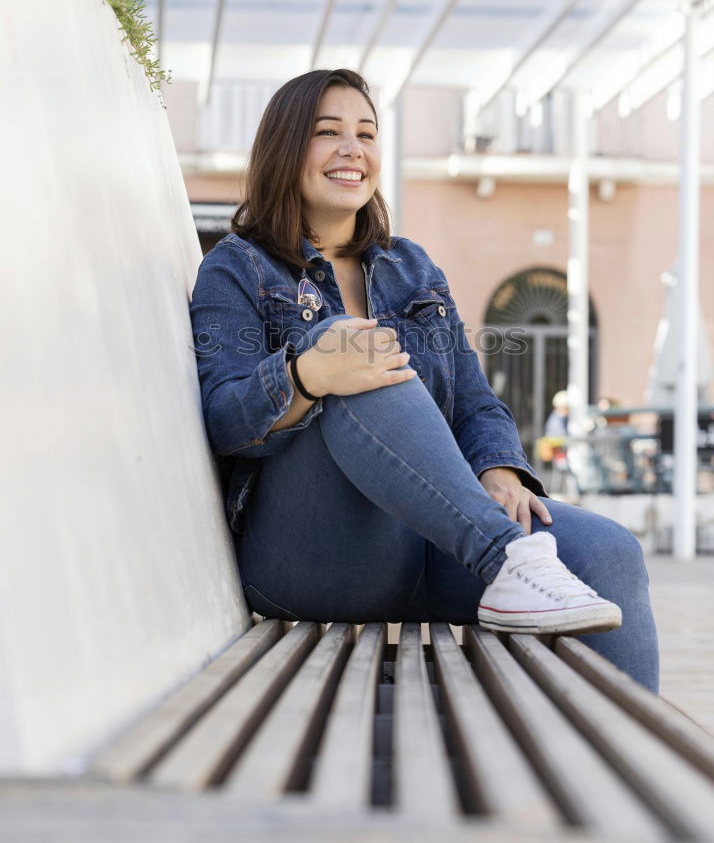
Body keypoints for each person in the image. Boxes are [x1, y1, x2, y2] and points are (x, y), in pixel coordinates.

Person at [189, 69, 659, 691]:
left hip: (434, 544)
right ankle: (507, 558)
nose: (352, 149)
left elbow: (473, 398)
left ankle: (624, 771)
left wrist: (500, 470)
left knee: (609, 552)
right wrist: (305, 376)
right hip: (312, 555)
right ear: (285, 148)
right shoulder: (237, 268)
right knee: (356, 352)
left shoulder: (410, 267)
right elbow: (223, 419)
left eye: (366, 132)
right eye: (328, 132)